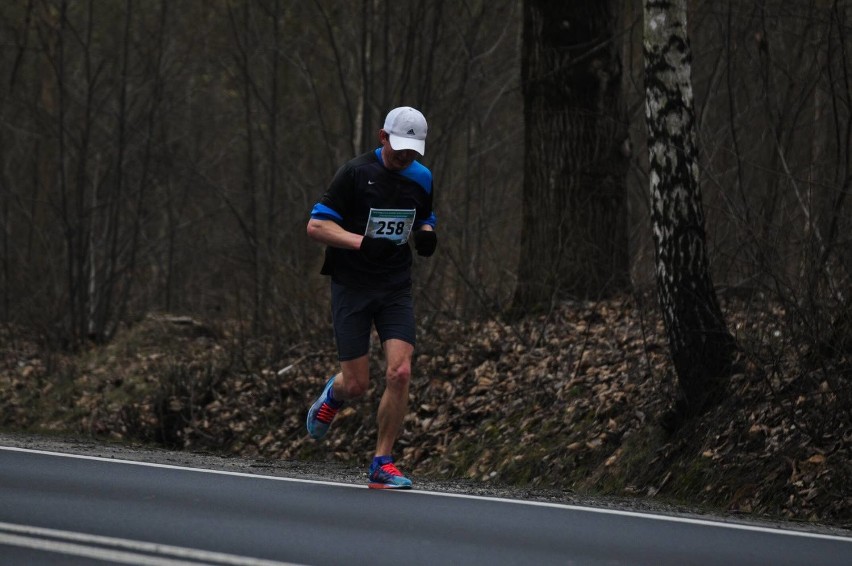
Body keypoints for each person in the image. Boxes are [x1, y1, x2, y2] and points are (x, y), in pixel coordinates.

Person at [305, 106, 437, 489]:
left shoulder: (422, 177)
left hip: (395, 286)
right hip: (352, 285)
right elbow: (316, 226)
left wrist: (427, 232)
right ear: (382, 137)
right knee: (357, 385)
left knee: (401, 371)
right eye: (398, 151)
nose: (404, 159)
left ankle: (382, 460)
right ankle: (335, 393)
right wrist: (362, 242)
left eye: (412, 153)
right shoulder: (355, 173)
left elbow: (427, 216)